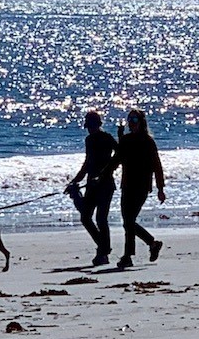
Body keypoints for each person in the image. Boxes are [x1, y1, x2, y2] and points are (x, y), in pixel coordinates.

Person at [105, 108, 166, 270]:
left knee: (129, 221)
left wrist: (160, 188)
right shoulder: (125, 140)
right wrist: (103, 175)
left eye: (134, 120)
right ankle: (151, 244)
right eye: (129, 120)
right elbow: (117, 159)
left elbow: (157, 166)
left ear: (141, 123)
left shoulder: (148, 141)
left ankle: (128, 256)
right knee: (128, 221)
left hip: (141, 187)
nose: (131, 123)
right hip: (127, 185)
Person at [65, 111, 118, 266]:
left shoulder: (107, 138)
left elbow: (119, 155)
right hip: (91, 185)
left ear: (98, 124)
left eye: (91, 126)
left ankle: (103, 251)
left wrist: (105, 172)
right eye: (88, 126)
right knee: (85, 217)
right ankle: (104, 248)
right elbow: (87, 164)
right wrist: (74, 182)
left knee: (101, 219)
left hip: (106, 184)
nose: (89, 129)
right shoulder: (89, 140)